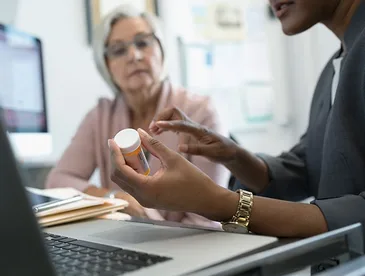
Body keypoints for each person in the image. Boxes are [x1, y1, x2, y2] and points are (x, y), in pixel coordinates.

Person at [109, 0, 365, 238]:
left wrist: (217, 202)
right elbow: (308, 168)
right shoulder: (336, 66)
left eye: (142, 43)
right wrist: (232, 155)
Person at [46, 5, 229, 226]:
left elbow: (207, 220)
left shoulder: (201, 112)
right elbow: (58, 181)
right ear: (106, 66)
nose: (134, 56)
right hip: (124, 241)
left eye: (143, 42)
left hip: (190, 244)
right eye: (118, 50)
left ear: (162, 50)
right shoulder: (100, 116)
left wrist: (150, 221)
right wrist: (113, 198)